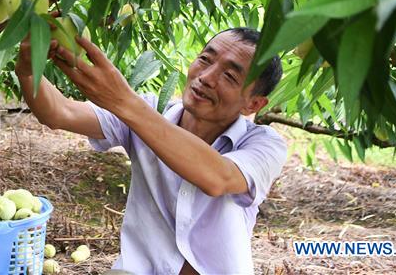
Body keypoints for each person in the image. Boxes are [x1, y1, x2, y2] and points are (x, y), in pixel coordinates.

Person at [16, 26, 287, 275]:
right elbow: (59, 112)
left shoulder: (265, 145)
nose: (206, 77)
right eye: (205, 59)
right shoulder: (149, 112)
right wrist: (28, 71)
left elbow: (218, 177)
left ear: (253, 104)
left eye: (229, 75)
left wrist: (125, 102)